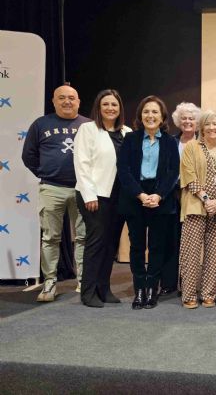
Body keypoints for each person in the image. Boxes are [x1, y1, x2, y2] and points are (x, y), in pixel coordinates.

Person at [22, 84, 90, 301]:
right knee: (50, 237)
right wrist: (45, 173)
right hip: (51, 188)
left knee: (83, 237)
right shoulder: (41, 124)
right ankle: (50, 282)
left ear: (78, 101)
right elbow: (28, 155)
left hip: (82, 189)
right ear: (53, 101)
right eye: (62, 98)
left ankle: (84, 281)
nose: (67, 101)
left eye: (71, 97)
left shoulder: (88, 125)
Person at [117, 95, 179, 310]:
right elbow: (123, 171)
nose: (150, 115)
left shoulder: (170, 142)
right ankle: (139, 289)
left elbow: (173, 172)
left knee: (156, 246)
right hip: (135, 198)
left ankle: (152, 288)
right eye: (146, 112)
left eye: (154, 112)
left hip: (160, 199)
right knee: (136, 247)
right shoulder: (131, 139)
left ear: (162, 117)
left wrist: (159, 195)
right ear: (140, 116)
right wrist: (141, 195)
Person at [74, 89, 131, 307]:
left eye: (114, 105)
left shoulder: (127, 131)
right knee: (96, 243)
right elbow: (82, 163)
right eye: (105, 104)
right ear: (98, 107)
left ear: (120, 108)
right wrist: (89, 194)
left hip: (119, 196)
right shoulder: (87, 129)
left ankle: (104, 289)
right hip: (94, 196)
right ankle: (88, 292)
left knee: (110, 244)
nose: (110, 108)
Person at [179, 110, 216, 309]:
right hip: (195, 206)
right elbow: (188, 175)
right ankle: (189, 294)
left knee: (213, 253)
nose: (211, 128)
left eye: (215, 124)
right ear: (202, 127)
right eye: (208, 124)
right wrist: (206, 199)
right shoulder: (191, 147)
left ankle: (209, 293)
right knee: (190, 253)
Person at [160, 102, 202, 297]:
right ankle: (169, 282)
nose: (187, 121)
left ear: (197, 121)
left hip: (195, 197)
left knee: (192, 242)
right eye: (184, 118)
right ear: (178, 121)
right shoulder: (170, 141)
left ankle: (189, 282)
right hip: (172, 196)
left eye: (191, 118)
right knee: (171, 239)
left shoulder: (203, 143)